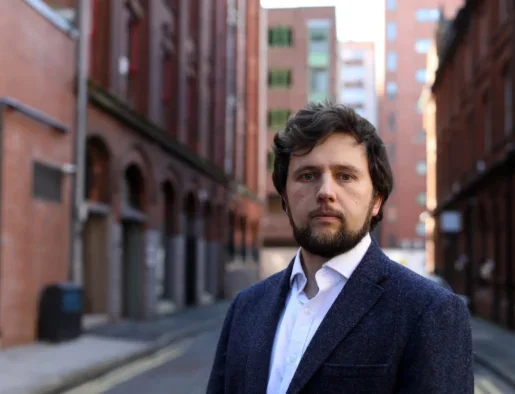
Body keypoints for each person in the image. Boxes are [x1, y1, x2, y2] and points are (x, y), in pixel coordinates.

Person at [207, 102, 473, 394]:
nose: (325, 193)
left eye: (345, 176)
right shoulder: (245, 307)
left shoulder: (430, 311)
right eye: (307, 175)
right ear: (284, 197)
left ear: (376, 200)